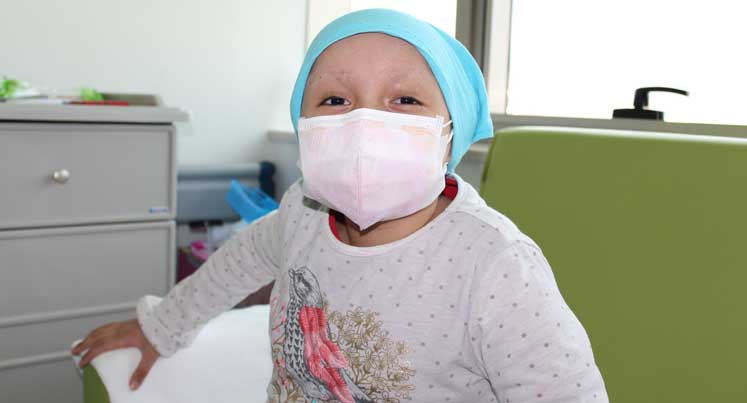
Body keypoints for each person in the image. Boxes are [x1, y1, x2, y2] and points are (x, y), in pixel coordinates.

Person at [72, 9, 608, 403]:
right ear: (304, 126)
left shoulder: (494, 263)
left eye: (405, 100)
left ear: (451, 132)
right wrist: (162, 325)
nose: (364, 122)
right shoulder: (301, 214)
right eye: (334, 100)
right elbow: (241, 261)